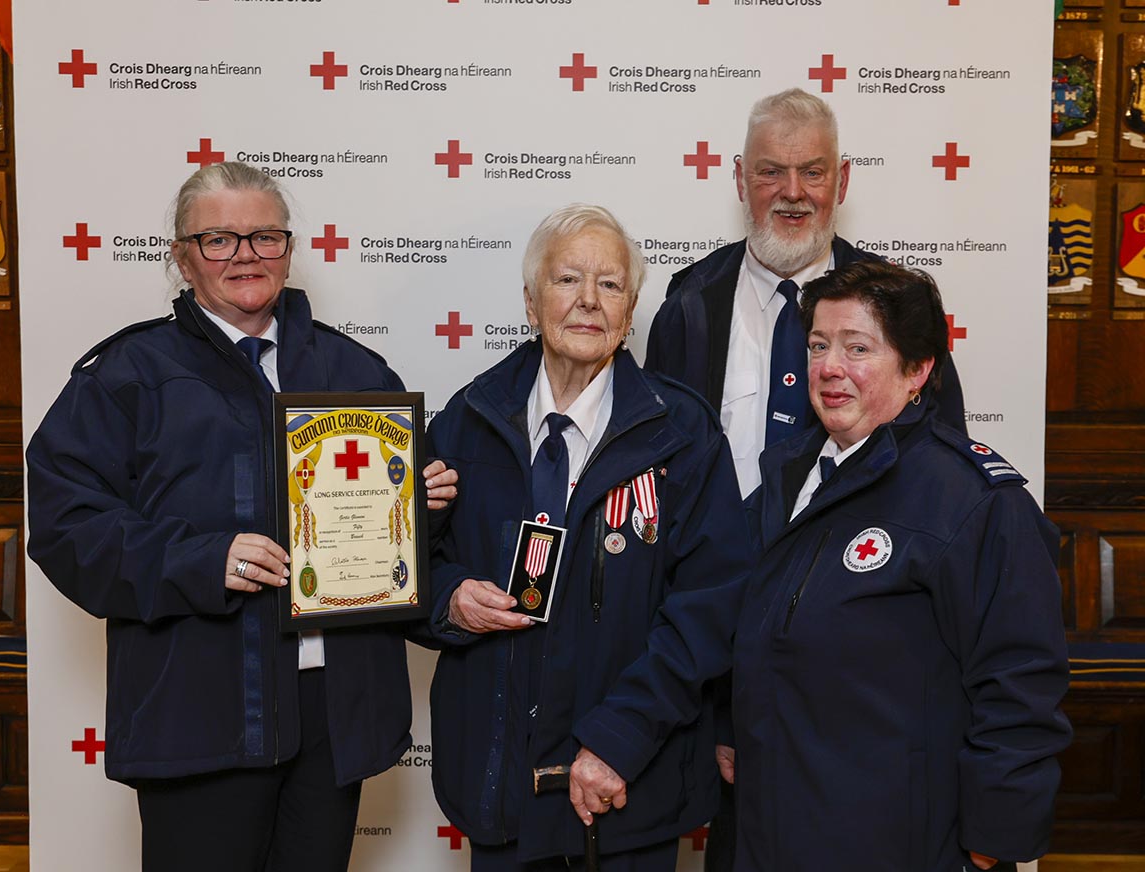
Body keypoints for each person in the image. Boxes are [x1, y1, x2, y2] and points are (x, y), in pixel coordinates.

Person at [26, 161, 457, 872]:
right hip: (198, 707)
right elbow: (68, 526)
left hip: (332, 715)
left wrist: (423, 506)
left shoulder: (357, 373)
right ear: (181, 255)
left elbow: (402, 555)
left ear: (289, 249)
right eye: (220, 239)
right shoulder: (129, 375)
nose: (246, 256)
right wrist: (200, 560)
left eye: (265, 237)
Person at [635, 259, 1070, 871]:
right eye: (818, 345)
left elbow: (1021, 681)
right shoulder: (785, 477)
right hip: (771, 828)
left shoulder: (976, 503)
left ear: (918, 370)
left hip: (898, 842)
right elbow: (743, 617)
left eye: (857, 347)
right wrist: (728, 718)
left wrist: (996, 832)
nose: (830, 367)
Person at [645, 87, 967, 870]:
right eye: (771, 171)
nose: (792, 192)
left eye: (812, 172)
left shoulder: (901, 307)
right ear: (738, 179)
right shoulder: (688, 306)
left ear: (844, 181)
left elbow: (944, 492)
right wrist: (719, 711)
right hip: (726, 655)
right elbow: (662, 501)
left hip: (869, 676)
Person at [425, 204, 753, 870]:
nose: (587, 301)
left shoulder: (682, 435)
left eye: (609, 285)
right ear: (530, 299)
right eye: (567, 278)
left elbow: (710, 609)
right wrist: (451, 600)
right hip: (500, 788)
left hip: (624, 787)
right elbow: (412, 565)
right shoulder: (468, 418)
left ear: (631, 312)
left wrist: (617, 740)